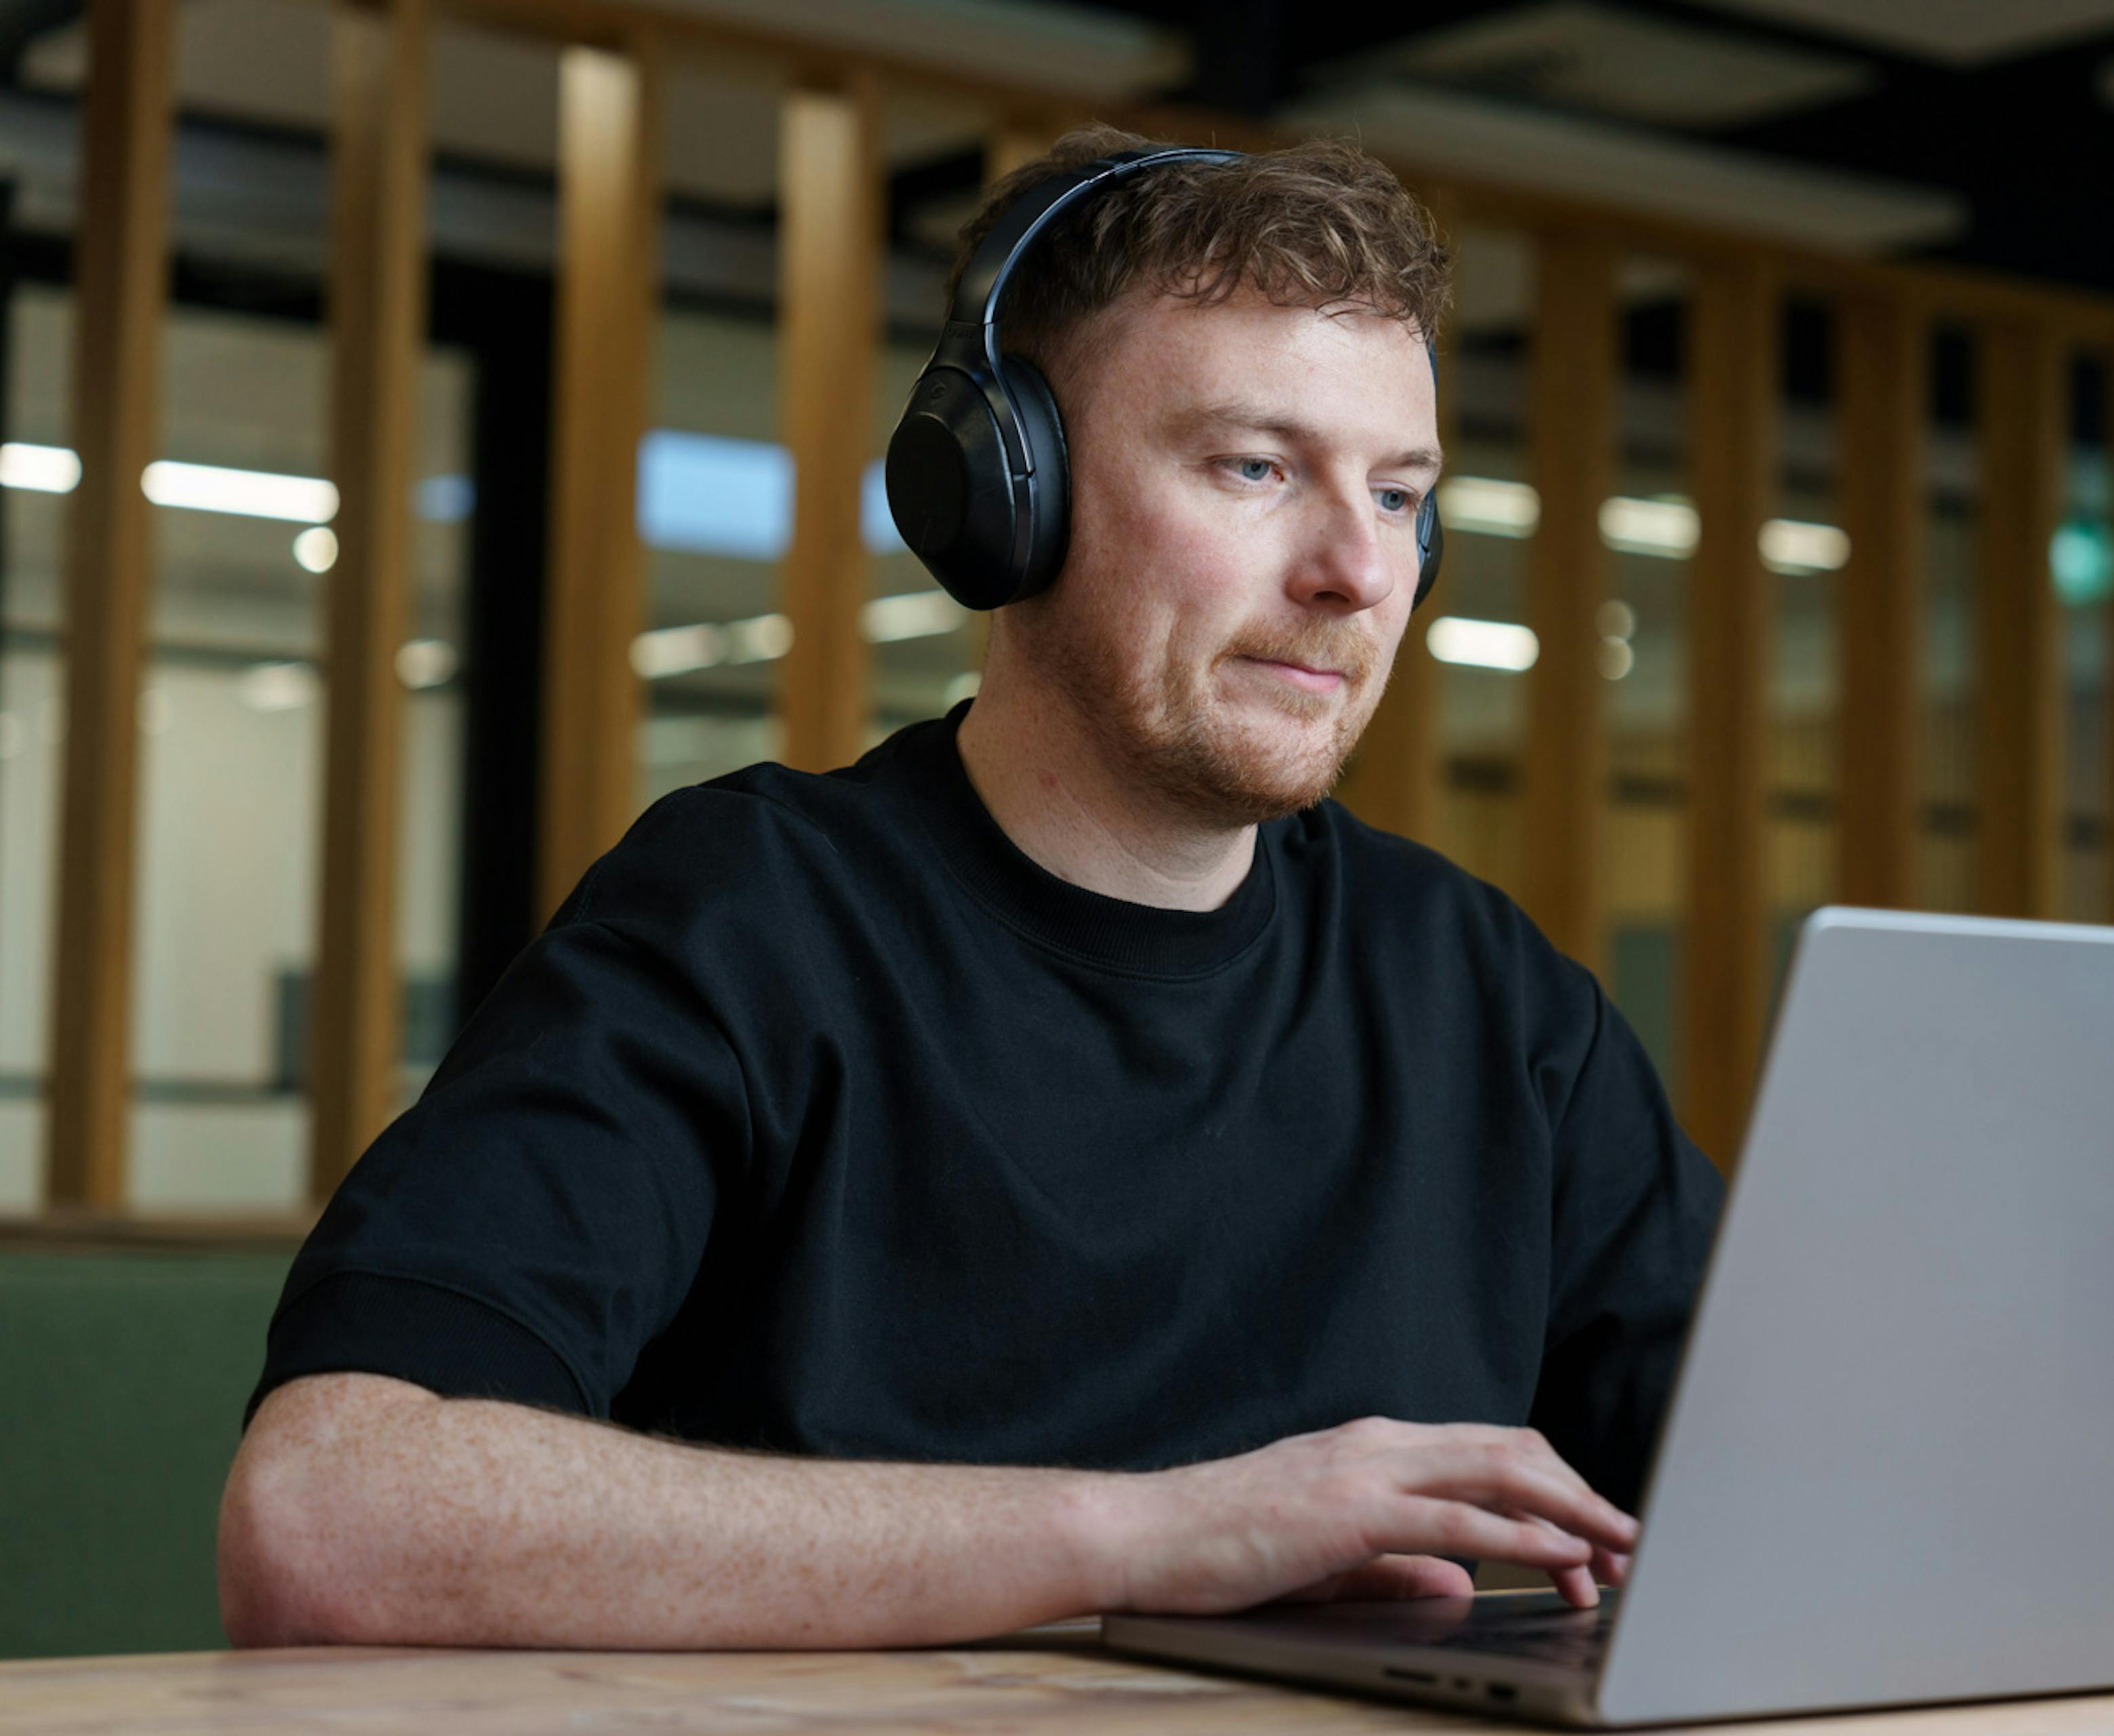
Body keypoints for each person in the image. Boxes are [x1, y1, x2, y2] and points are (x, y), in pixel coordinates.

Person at [217, 127, 1725, 1651]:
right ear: (1009, 491)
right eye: (1256, 467)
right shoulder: (749, 921)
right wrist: (1153, 1534)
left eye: (1401, 495)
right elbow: (331, 1519)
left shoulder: (1487, 994)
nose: (1358, 569)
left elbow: (1813, 1479)